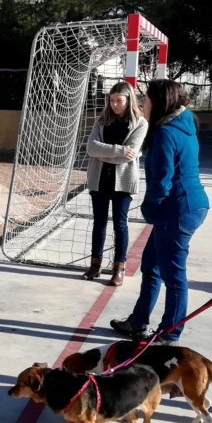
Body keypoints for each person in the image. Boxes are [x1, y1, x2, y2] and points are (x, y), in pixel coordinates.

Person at [111, 80, 208, 345]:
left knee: (173, 274)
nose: (143, 103)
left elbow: (162, 181)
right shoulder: (183, 126)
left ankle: (169, 334)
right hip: (184, 206)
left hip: (178, 208)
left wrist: (150, 209)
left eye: (146, 99)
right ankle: (138, 322)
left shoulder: (167, 133)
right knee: (151, 264)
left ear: (159, 101)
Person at [82, 82, 148, 286]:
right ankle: (95, 264)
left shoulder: (140, 123)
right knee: (98, 223)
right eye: (111, 100)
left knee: (120, 225)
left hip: (123, 182)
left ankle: (119, 268)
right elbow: (91, 148)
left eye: (119, 101)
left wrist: (106, 153)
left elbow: (132, 154)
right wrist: (118, 151)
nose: (115, 104)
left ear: (129, 100)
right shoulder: (102, 121)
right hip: (99, 180)